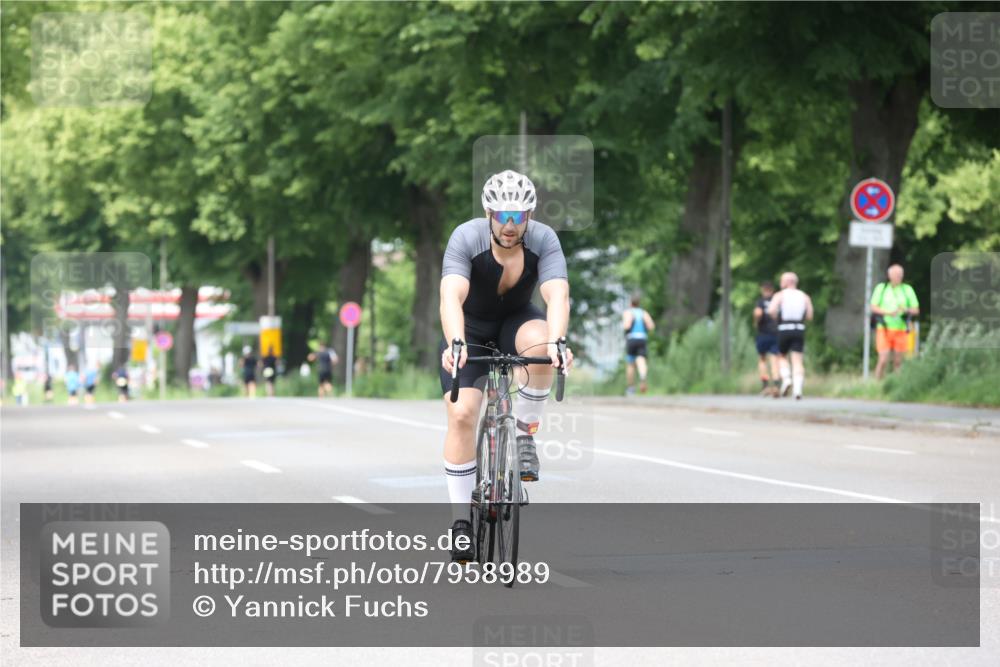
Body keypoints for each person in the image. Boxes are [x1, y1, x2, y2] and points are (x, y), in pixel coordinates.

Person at [439, 169, 573, 562]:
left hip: (517, 322)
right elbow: (450, 295)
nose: (511, 225)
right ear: (488, 212)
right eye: (502, 216)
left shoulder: (544, 240)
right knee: (462, 413)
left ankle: (525, 434)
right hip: (472, 327)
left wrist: (560, 341)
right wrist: (456, 343)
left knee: (544, 344)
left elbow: (557, 295)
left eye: (519, 216)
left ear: (529, 215)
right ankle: (461, 521)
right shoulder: (466, 237)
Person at [768, 272, 814, 400]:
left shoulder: (780, 295)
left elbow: (771, 310)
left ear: (787, 282)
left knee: (781, 356)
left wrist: (776, 317)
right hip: (799, 328)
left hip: (784, 328)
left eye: (782, 280)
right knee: (798, 359)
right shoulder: (804, 296)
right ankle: (798, 389)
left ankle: (787, 378)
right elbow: (810, 315)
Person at [871, 264, 919, 380]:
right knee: (883, 359)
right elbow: (873, 307)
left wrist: (905, 310)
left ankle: (896, 385)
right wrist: (888, 313)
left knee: (898, 361)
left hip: (901, 329)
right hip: (884, 327)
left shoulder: (907, 289)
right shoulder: (881, 288)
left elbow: (916, 310)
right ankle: (877, 384)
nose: (898, 277)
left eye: (900, 275)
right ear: (889, 275)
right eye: (896, 275)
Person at [622, 293, 655, 394]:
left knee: (631, 364)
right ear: (639, 303)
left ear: (630, 302)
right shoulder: (643, 313)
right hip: (642, 338)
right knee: (641, 360)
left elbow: (626, 326)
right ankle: (642, 377)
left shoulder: (628, 312)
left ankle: (631, 388)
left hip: (632, 338)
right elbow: (651, 326)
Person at [753, 280, 780, 396]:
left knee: (762, 359)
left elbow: (758, 313)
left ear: (762, 290)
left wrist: (756, 322)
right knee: (775, 359)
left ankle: (765, 385)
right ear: (772, 290)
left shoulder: (761, 302)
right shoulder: (777, 301)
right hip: (776, 333)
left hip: (763, 333)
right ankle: (776, 385)